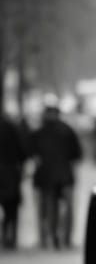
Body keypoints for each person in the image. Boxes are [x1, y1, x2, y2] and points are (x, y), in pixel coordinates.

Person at [31, 102, 82, 251]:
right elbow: (77, 154)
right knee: (66, 209)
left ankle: (50, 237)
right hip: (65, 175)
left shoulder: (39, 132)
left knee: (48, 208)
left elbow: (32, 153)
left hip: (46, 177)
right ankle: (65, 239)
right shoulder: (67, 130)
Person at [0, 108, 26, 250]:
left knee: (7, 206)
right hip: (10, 172)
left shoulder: (11, 127)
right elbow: (22, 151)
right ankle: (11, 238)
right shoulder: (11, 128)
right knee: (12, 208)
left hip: (8, 172)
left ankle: (5, 236)